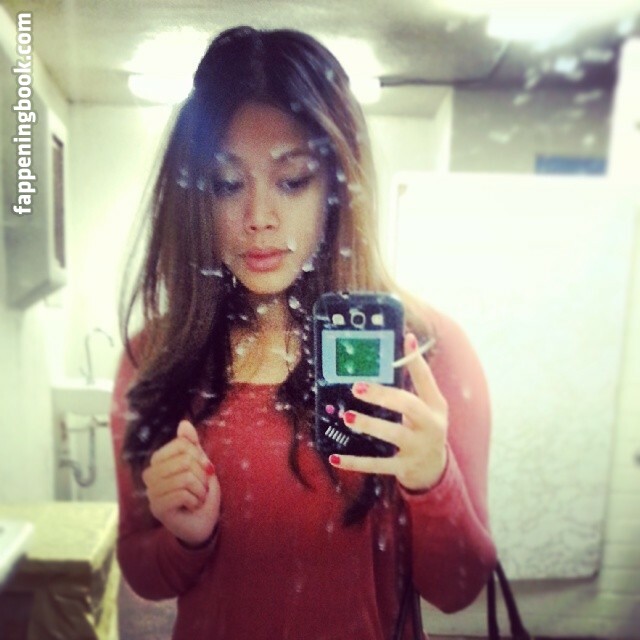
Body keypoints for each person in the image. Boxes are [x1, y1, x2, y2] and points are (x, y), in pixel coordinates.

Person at [110, 25, 497, 640]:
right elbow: (143, 571)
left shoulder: (424, 352)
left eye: (292, 181)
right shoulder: (154, 357)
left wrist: (431, 479)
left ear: (337, 186)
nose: (259, 219)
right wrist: (185, 538)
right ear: (195, 195)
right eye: (227, 184)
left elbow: (459, 587)